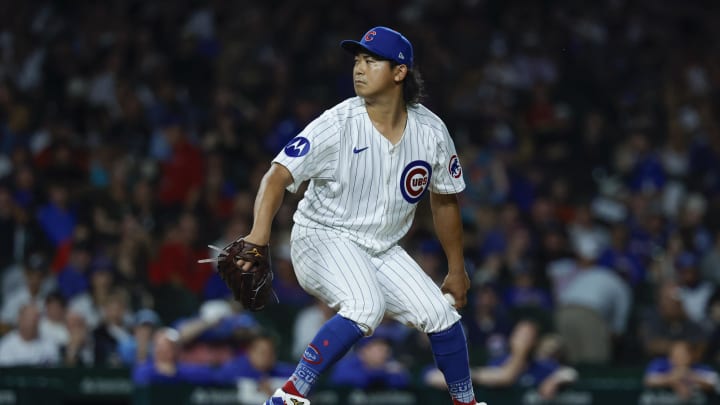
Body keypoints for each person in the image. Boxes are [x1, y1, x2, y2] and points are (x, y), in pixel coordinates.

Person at [229, 26, 484, 405]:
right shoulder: (337, 123)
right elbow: (277, 175)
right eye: (357, 60)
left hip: (381, 248)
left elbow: (444, 200)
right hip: (321, 237)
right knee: (366, 306)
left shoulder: (431, 131)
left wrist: (457, 269)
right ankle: (289, 396)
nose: (359, 68)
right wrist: (258, 235)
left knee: (441, 315)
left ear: (399, 72)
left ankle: (465, 403)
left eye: (371, 60)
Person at [643, 340, 719, 402]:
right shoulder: (660, 365)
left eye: (682, 355)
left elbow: (713, 383)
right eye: (675, 355)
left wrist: (689, 376)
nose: (679, 358)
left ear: (690, 356)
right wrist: (673, 380)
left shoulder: (701, 368)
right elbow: (649, 381)